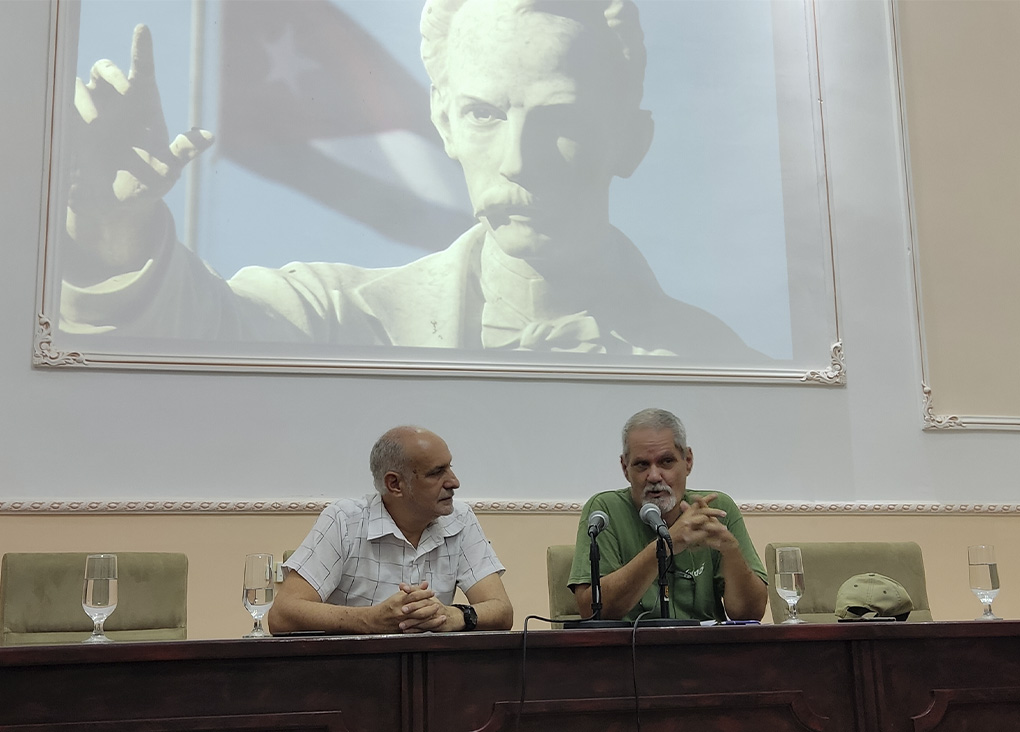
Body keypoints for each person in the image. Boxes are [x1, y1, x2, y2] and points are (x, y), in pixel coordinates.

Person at [60, 0, 760, 361]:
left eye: (561, 120)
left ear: (632, 142)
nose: (519, 157)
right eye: (484, 114)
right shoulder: (338, 318)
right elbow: (190, 334)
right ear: (444, 123)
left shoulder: (720, 362)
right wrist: (113, 231)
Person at [266, 426, 513, 634]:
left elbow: (502, 610)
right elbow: (283, 614)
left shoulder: (460, 519)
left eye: (449, 467)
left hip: (432, 675)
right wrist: (371, 620)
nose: (454, 481)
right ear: (394, 484)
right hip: (348, 677)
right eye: (437, 472)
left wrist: (452, 616)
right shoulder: (344, 520)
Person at [568, 408, 766, 622]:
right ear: (625, 468)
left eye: (666, 462)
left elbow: (751, 615)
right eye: (642, 464)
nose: (654, 476)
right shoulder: (604, 511)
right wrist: (667, 544)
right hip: (630, 651)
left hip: (705, 649)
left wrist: (731, 551)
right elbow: (591, 611)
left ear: (688, 461)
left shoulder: (715, 510)